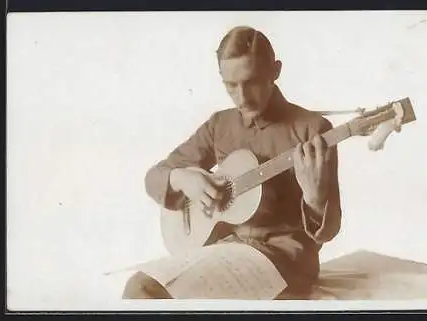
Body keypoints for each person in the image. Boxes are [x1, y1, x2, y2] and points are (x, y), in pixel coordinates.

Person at [122, 26, 342, 299]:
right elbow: (154, 177)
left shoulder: (313, 130)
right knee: (140, 287)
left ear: (275, 71)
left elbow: (329, 231)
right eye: (231, 85)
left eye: (251, 82)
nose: (242, 97)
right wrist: (183, 179)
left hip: (285, 262)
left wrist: (316, 200)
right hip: (226, 249)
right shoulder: (220, 125)